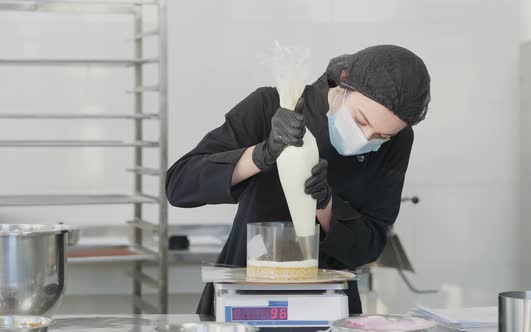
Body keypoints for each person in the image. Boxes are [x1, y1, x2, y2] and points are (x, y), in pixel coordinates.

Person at [166, 44, 431, 315]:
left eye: (381, 137)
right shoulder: (273, 105)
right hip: (245, 293)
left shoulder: (398, 143)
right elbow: (179, 186)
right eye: (361, 121)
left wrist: (326, 205)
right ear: (342, 86)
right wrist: (260, 155)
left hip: (329, 302)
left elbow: (369, 246)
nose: (366, 138)